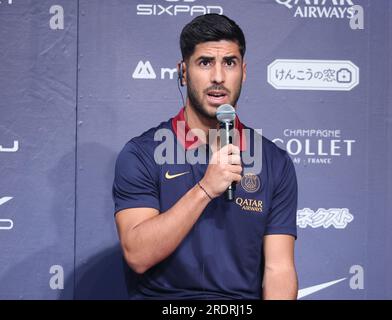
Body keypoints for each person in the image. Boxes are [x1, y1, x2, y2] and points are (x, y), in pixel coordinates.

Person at [112, 13, 298, 300]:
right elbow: (137, 254)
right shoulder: (142, 153)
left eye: (230, 63)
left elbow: (279, 270)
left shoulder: (274, 161)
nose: (218, 77)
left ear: (244, 72)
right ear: (183, 72)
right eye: (205, 63)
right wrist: (206, 189)